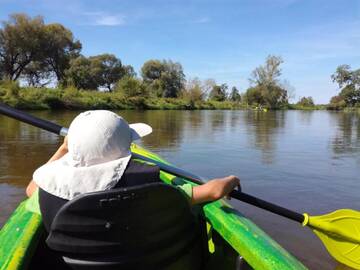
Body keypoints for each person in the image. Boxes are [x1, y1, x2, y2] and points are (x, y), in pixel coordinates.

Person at [26, 110, 240, 231]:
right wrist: (232, 178)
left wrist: (63, 148)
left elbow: (31, 188)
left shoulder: (48, 193)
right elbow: (213, 191)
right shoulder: (150, 188)